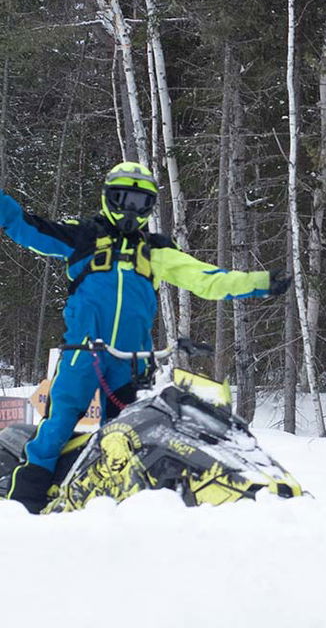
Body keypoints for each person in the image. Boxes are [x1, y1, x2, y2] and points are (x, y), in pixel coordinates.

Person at [0, 161, 290, 513]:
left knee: (124, 436)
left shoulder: (154, 250)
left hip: (131, 362)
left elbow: (206, 278)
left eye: (141, 203)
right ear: (109, 198)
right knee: (57, 425)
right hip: (83, 353)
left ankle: (118, 508)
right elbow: (27, 227)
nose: (131, 210)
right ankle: (22, 506)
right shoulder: (83, 236)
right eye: (124, 200)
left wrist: (257, 284)